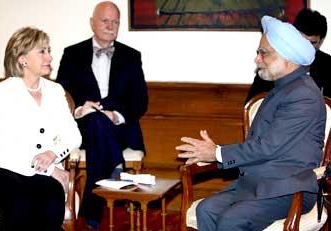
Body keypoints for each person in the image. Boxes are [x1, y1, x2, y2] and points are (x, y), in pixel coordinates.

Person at [176, 15, 326, 231]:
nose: (257, 59)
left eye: (263, 53)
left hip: (288, 189)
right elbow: (261, 144)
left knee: (231, 220)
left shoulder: (303, 95)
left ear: (287, 58)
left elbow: (268, 147)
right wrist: (213, 153)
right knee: (205, 209)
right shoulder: (283, 88)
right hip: (259, 184)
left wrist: (217, 153)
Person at [56, 1, 148, 228]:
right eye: (105, 20)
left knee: (102, 124)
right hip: (84, 129)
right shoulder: (72, 54)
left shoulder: (131, 56)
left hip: (121, 129)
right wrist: (80, 110)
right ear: (92, 23)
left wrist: (116, 115)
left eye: (115, 21)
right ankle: (116, 164)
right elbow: (60, 96)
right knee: (96, 121)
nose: (110, 26)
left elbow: (140, 100)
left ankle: (92, 208)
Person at [0, 27, 82, 231]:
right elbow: (6, 144)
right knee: (20, 202)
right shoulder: (1, 92)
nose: (50, 57)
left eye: (48, 50)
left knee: (53, 198)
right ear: (22, 59)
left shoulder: (55, 91)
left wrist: (53, 153)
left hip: (37, 173)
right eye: (42, 51)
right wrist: (52, 168)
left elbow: (73, 134)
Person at [246, 8, 331, 103]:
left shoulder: (328, 65)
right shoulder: (273, 61)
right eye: (302, 42)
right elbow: (252, 102)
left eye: (312, 43)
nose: (305, 49)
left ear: (321, 41)